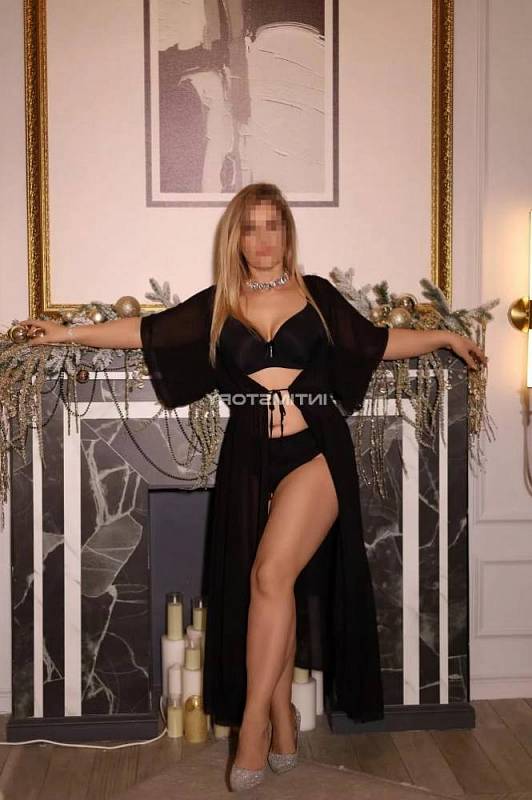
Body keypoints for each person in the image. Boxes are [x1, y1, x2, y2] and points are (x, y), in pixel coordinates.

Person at [20, 182, 487, 792]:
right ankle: (283, 712)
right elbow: (145, 332)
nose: (263, 239)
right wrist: (66, 335)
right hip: (249, 457)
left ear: (288, 233)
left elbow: (375, 342)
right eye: (250, 227)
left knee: (268, 576)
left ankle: (253, 726)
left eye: (273, 225)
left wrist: (444, 337)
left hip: (315, 452)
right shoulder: (220, 304)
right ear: (235, 237)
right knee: (274, 585)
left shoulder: (316, 296)